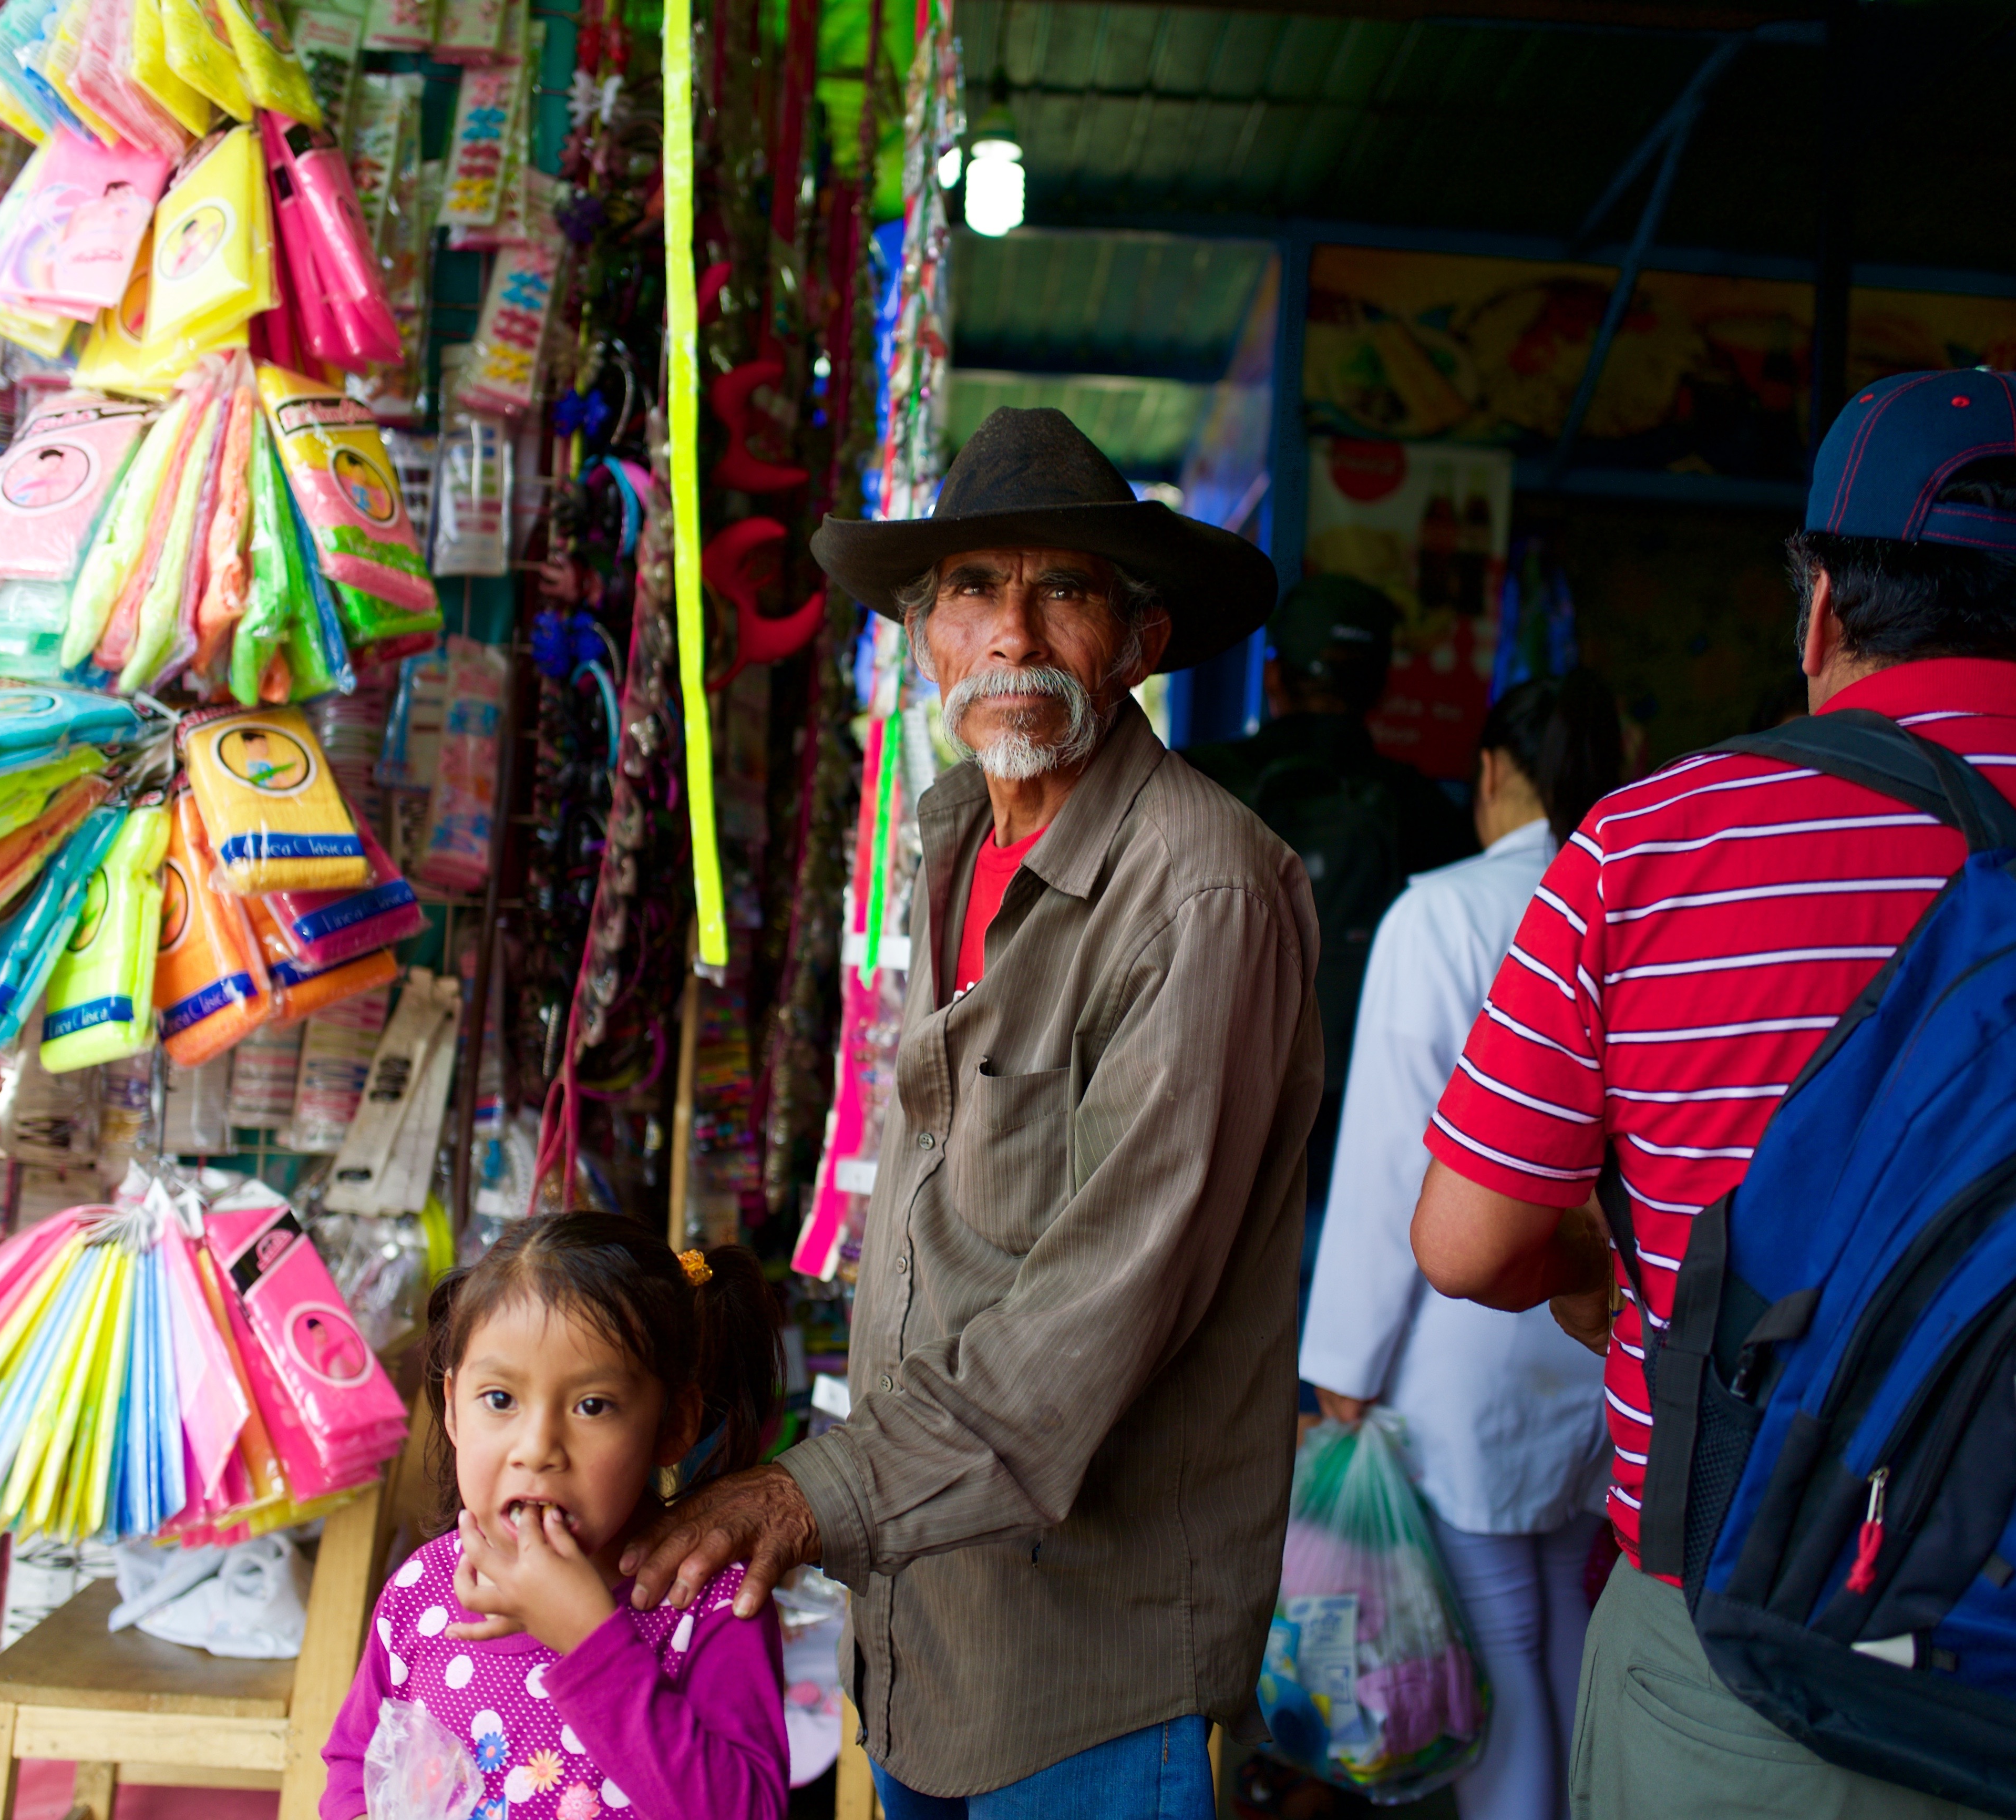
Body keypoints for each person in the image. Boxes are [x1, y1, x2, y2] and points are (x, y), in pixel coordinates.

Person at [1406, 369, 2016, 1819]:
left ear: (1818, 611)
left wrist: (1604, 1267)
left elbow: (1467, 1241)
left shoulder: (1649, 846)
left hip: (1743, 1660)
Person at [621, 406, 1321, 1814]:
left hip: (1088, 1669)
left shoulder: (1202, 891)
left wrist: (806, 1493)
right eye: (971, 589)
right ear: (922, 634)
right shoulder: (954, 833)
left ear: (1138, 639)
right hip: (928, 1632)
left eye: (1063, 589)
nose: (1011, 633)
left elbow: (1093, 1309)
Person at [1299, 668, 1623, 1820]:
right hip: (1597, 1330)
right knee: (1565, 1602)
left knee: (1495, 1629)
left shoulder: (1439, 912)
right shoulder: (1628, 898)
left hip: (1464, 1332)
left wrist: (1343, 1356)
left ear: (1490, 774)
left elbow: (1395, 1155)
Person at [317, 1215, 790, 1820]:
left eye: (592, 1405)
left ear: (673, 1424)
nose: (537, 1447)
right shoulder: (419, 1591)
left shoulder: (708, 1603)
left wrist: (591, 1643)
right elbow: (355, 1769)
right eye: (499, 1399)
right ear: (453, 1408)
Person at [1186, 573, 1477, 1132]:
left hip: (1212, 1095)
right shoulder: (1424, 809)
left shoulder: (1194, 782)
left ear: (1273, 676)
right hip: (1362, 1110)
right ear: (1380, 690)